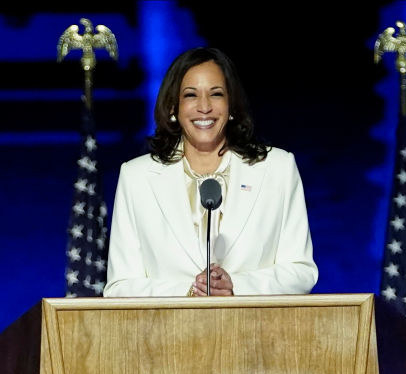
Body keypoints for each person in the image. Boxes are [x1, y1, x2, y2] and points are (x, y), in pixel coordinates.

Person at [103, 47, 318, 297]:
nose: (204, 107)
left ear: (232, 106)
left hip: (255, 330)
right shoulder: (136, 177)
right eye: (191, 95)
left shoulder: (277, 168)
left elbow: (302, 272)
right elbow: (119, 286)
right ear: (173, 106)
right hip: (168, 333)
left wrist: (236, 286)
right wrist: (191, 289)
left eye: (216, 94)